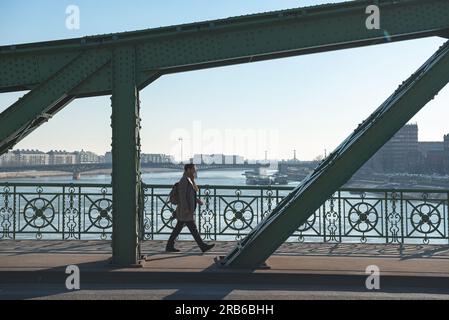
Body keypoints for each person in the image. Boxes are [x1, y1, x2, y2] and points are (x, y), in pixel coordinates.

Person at [166, 164, 215, 253]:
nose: (195, 171)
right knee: (192, 228)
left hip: (186, 209)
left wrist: (196, 200)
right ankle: (203, 246)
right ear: (188, 170)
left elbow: (189, 194)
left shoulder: (189, 180)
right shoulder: (184, 180)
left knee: (180, 228)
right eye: (193, 169)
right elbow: (182, 196)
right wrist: (186, 208)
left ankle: (169, 245)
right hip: (185, 209)